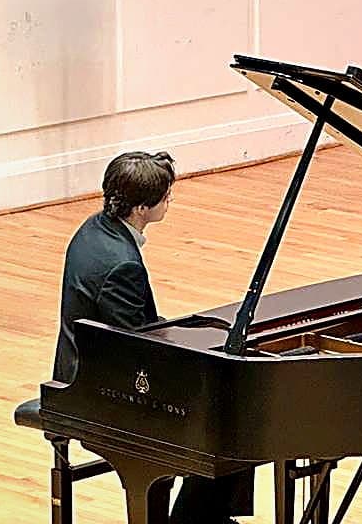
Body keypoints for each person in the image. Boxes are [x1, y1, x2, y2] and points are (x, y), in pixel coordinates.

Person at [52, 150, 253, 524]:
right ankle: (198, 519)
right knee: (233, 417)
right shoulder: (121, 264)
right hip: (100, 387)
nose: (169, 201)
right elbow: (136, 346)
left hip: (82, 364)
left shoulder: (93, 229)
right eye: (166, 196)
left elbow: (132, 325)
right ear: (142, 207)